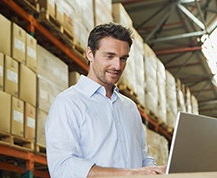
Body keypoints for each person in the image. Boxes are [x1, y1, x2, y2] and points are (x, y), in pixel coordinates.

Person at [45, 22, 166, 178]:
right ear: (90, 54)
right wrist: (129, 173)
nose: (117, 66)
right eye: (109, 56)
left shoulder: (129, 107)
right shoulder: (68, 103)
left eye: (123, 58)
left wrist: (158, 171)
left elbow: (142, 158)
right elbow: (63, 167)